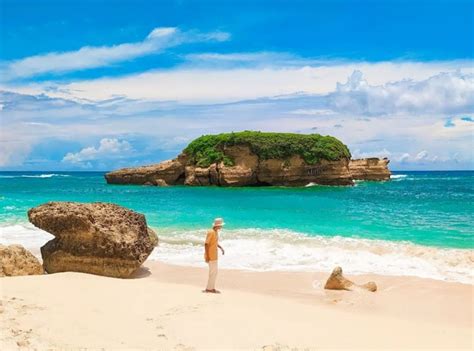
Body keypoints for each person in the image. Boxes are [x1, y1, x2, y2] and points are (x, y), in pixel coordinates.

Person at [203, 217, 225, 293]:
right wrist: (207, 256)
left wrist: (220, 247)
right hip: (211, 256)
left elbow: (214, 242)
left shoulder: (215, 232)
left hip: (214, 255)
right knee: (213, 272)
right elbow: (206, 244)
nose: (222, 226)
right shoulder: (211, 232)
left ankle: (211, 287)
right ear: (217, 225)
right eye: (221, 225)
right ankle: (209, 289)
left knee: (214, 272)